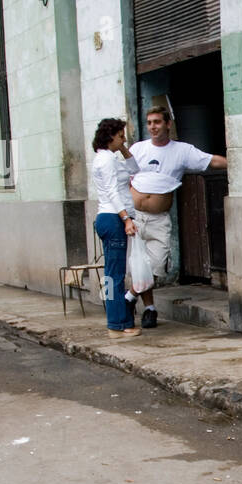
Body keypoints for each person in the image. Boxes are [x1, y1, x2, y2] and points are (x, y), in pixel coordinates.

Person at [127, 106, 227, 328]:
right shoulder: (138, 149)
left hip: (158, 219)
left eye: (158, 122)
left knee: (157, 266)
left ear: (168, 124)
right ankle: (150, 310)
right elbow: (123, 176)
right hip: (135, 218)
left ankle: (129, 296)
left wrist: (238, 162)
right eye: (150, 122)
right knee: (140, 266)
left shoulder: (181, 150)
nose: (153, 127)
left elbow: (211, 161)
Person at [90, 118, 142, 338]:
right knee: (114, 276)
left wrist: (122, 148)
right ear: (110, 136)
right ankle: (117, 324)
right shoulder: (106, 160)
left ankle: (118, 322)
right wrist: (126, 218)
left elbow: (134, 169)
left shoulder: (108, 157)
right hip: (113, 218)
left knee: (113, 275)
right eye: (121, 136)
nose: (124, 139)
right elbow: (113, 192)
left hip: (110, 218)